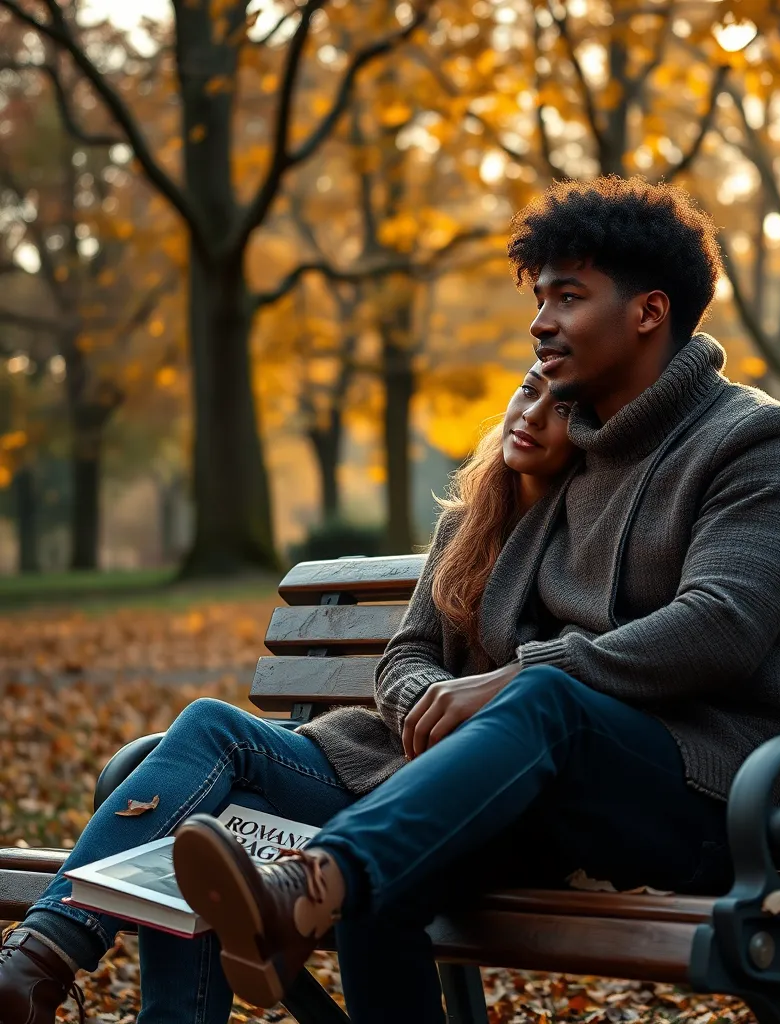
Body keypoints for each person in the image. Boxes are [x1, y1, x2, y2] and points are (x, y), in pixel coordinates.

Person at [168, 176, 780, 1016]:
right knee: (352, 862)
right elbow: (449, 634)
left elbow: (723, 625)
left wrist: (518, 681)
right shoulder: (577, 450)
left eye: (569, 295)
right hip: (542, 787)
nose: (540, 321)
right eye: (540, 296)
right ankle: (316, 886)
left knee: (541, 699)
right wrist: (460, 701)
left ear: (648, 312)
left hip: (704, 797)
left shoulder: (760, 441)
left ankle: (314, 881)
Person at [0, 366, 577, 1024]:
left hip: (475, 805)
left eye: (560, 409)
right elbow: (406, 656)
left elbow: (569, 684)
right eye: (527, 392)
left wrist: (477, 722)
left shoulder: (582, 542)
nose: (532, 415)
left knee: (205, 828)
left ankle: (33, 965)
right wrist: (434, 699)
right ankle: (36, 960)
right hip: (377, 769)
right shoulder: (468, 525)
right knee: (207, 772)